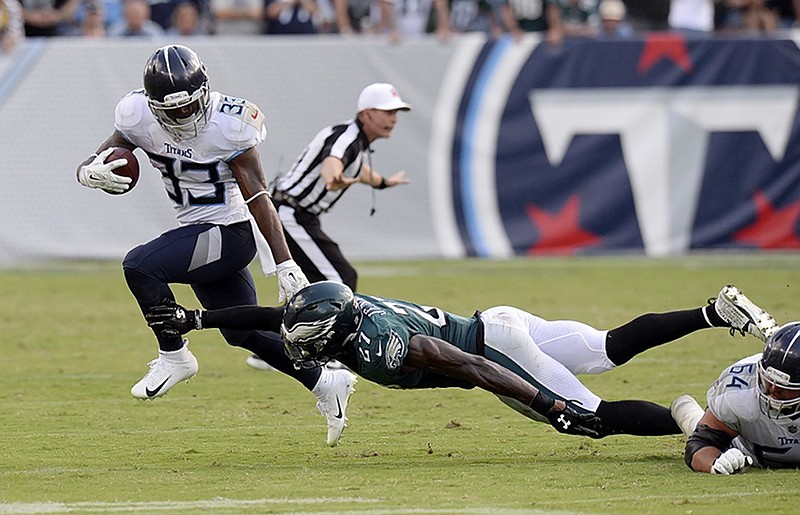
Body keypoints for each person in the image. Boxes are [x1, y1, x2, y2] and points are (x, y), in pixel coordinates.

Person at [74, 44, 356, 447]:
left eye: (188, 107)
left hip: (229, 233)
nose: (181, 117)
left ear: (204, 94)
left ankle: (175, 355)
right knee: (241, 332)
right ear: (153, 106)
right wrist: (88, 171)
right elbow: (103, 154)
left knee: (140, 265)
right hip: (199, 230)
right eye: (170, 111)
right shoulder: (136, 114)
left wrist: (284, 262)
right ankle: (327, 382)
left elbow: (258, 194)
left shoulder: (231, 124)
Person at [146, 282, 778, 444]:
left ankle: (709, 425)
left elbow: (471, 369)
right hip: (494, 320)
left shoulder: (384, 343)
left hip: (489, 349)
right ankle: (712, 312)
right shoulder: (337, 307)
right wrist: (200, 320)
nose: (300, 346)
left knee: (588, 416)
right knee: (608, 348)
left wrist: (546, 404)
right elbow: (273, 316)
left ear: (335, 333)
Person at [244, 82, 411, 372]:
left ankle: (270, 348)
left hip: (296, 214)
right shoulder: (347, 138)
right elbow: (333, 162)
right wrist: (334, 176)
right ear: (367, 114)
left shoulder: (355, 141)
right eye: (388, 112)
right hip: (291, 214)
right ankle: (331, 351)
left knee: (310, 286)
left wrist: (384, 182)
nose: (394, 118)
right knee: (340, 279)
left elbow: (357, 168)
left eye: (396, 112)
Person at [671, 320, 800, 474]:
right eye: (768, 380)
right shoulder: (740, 389)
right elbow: (700, 444)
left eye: (784, 387)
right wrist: (715, 464)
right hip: (742, 451)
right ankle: (689, 414)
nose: (772, 389)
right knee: (700, 429)